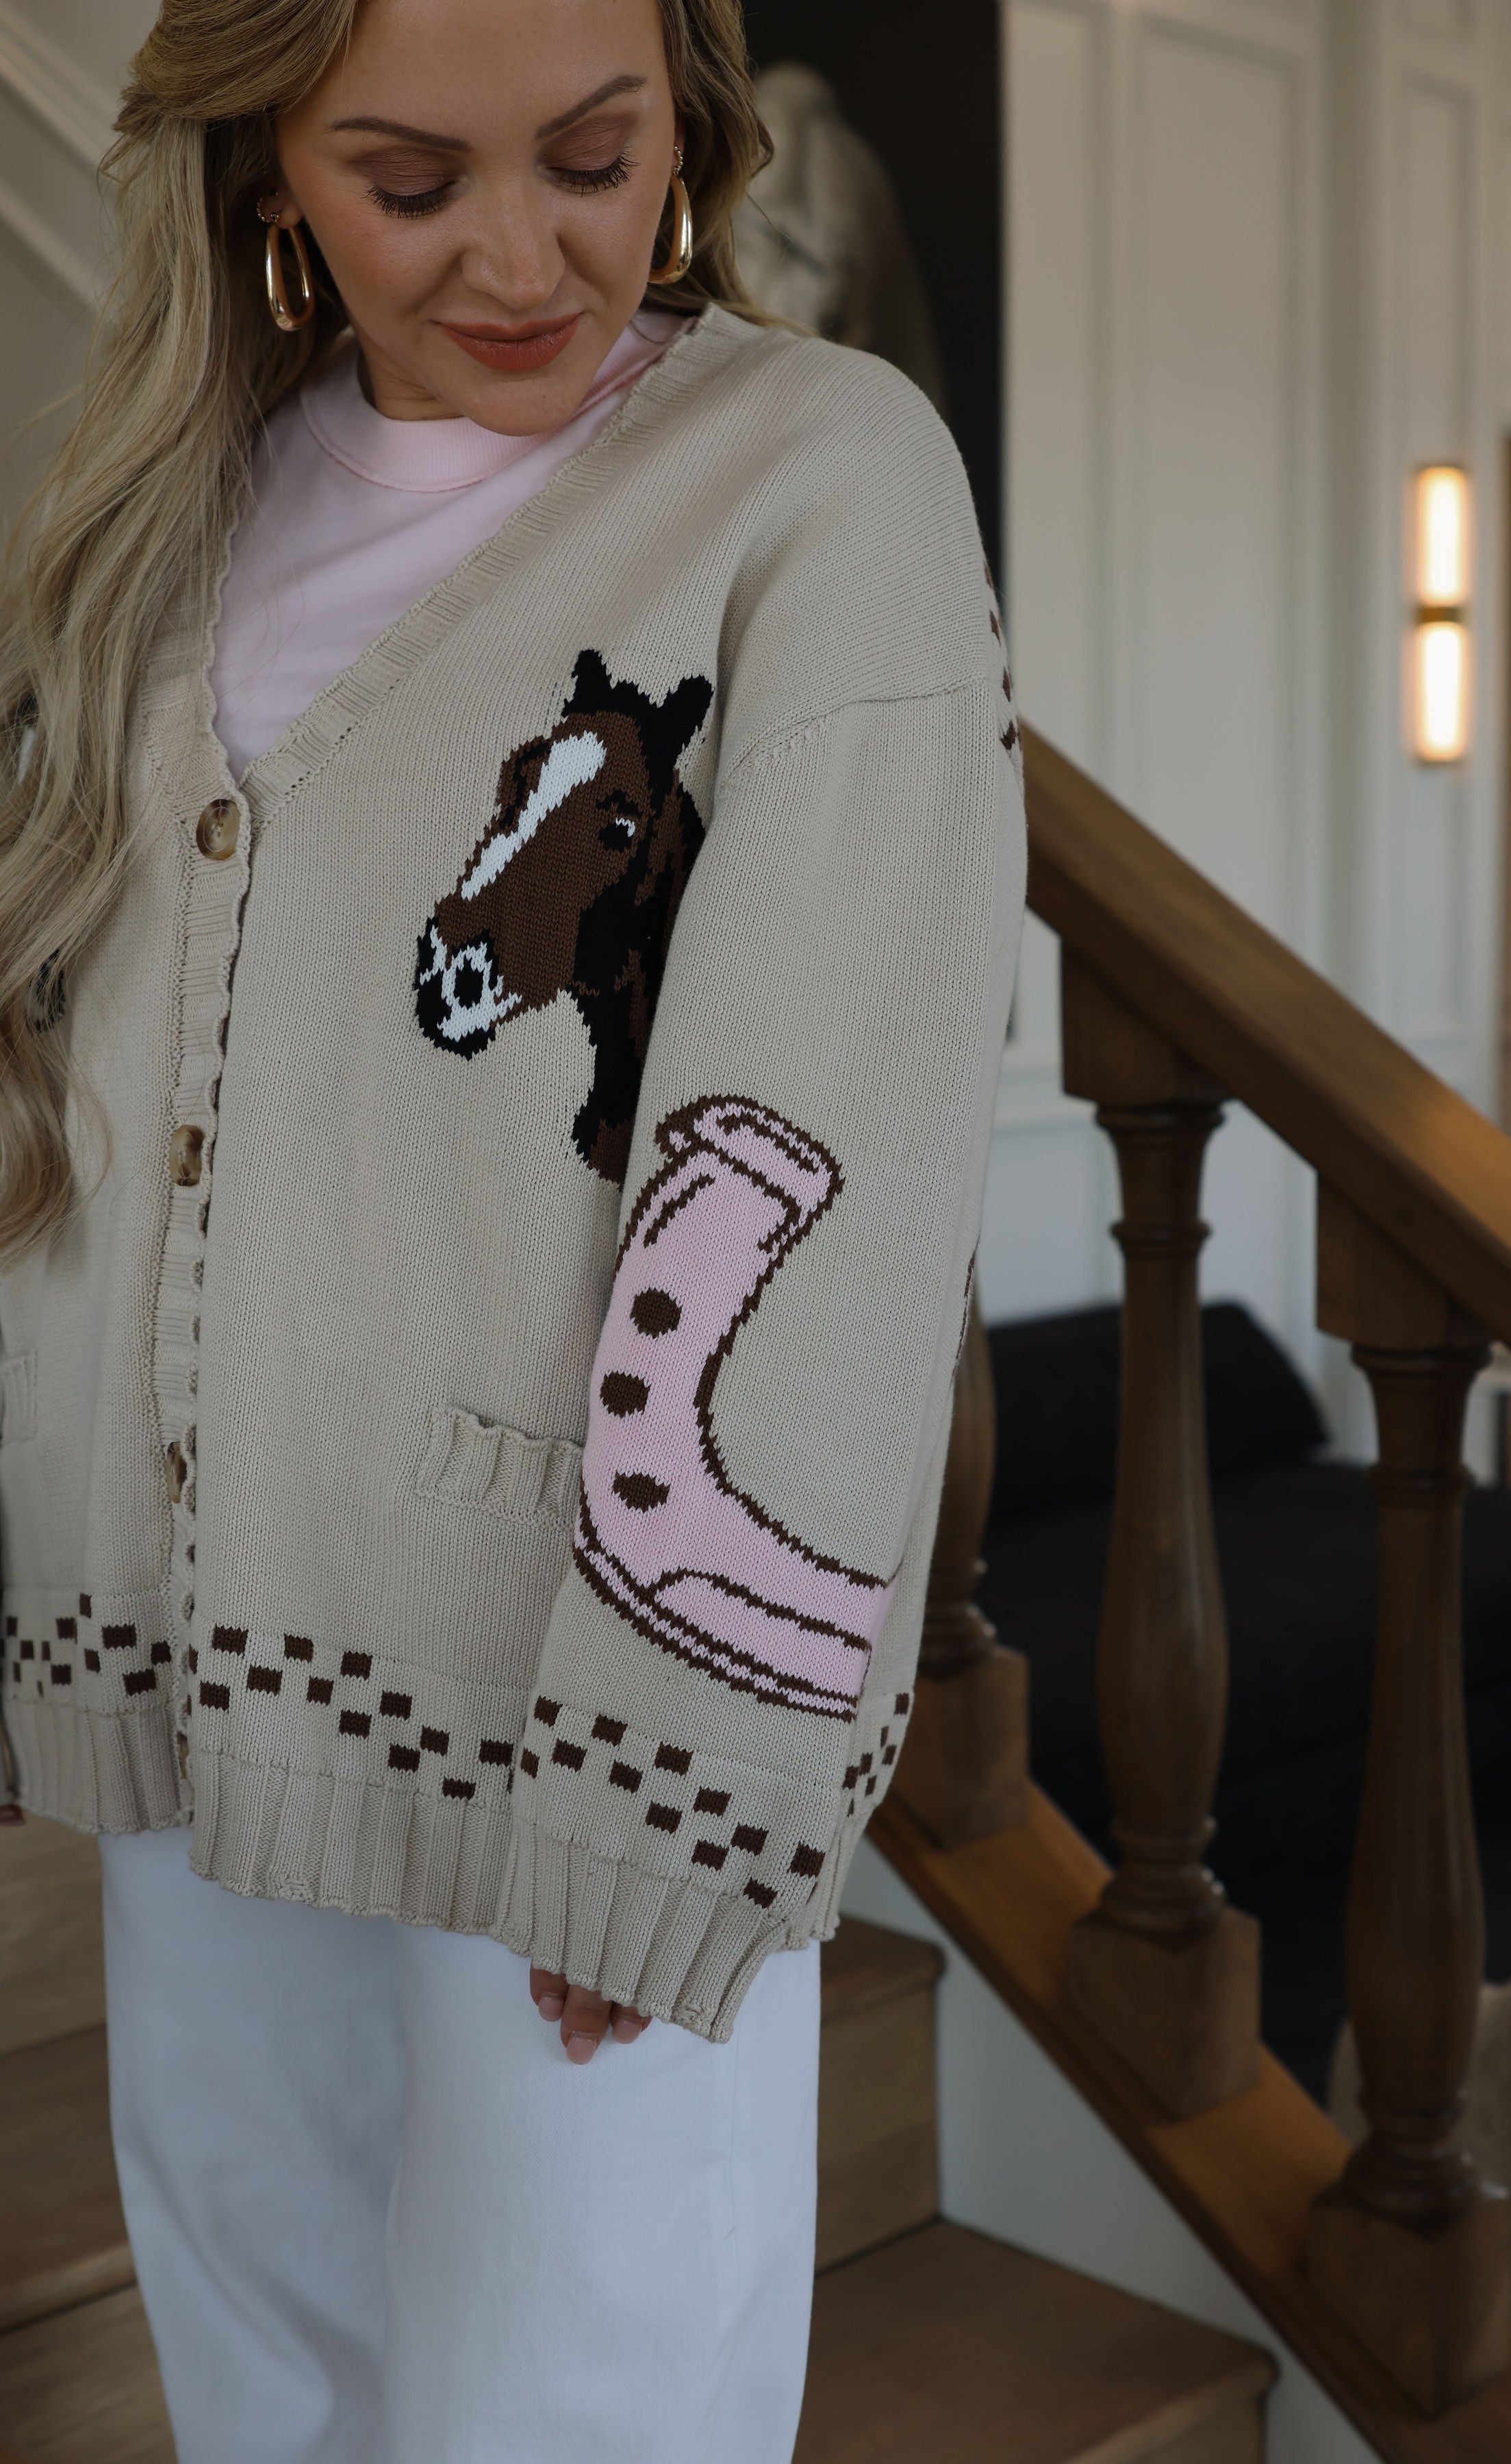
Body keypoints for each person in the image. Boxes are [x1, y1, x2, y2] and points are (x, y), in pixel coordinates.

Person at [0, 0, 1025, 2455]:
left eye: (589, 156)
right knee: (266, 2401)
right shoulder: (175, 507)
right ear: (268, 166)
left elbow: (837, 1147)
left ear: (689, 111)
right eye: (409, 182)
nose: (521, 258)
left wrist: (676, 1775)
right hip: (200, 1692)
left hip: (578, 1722)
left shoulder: (817, 473)